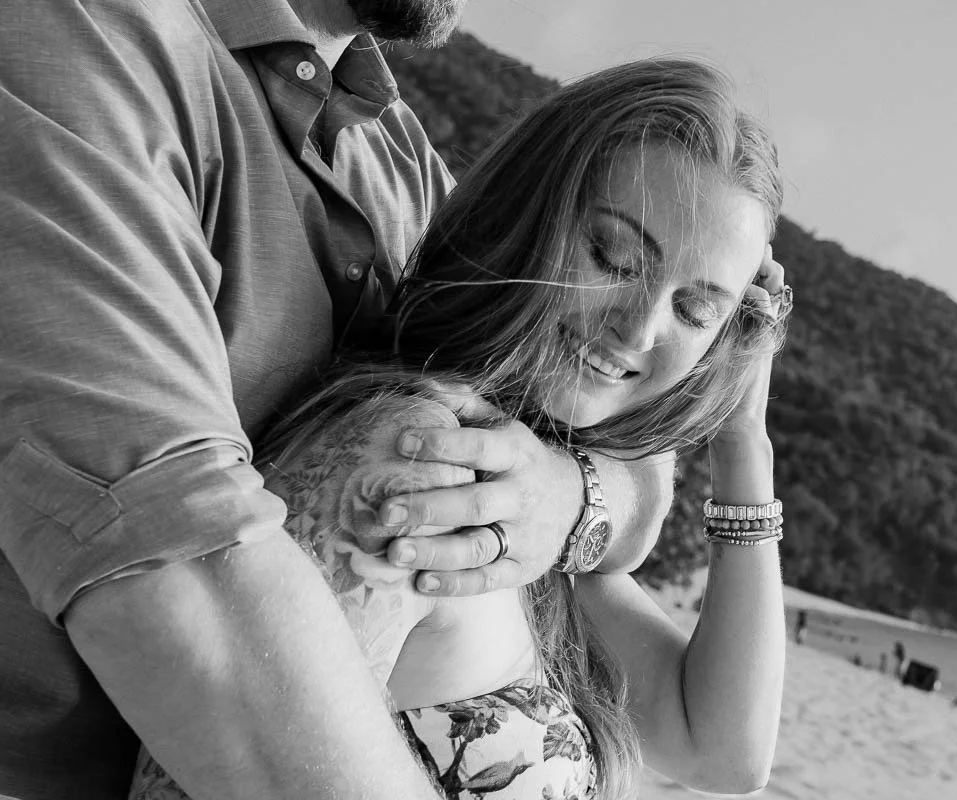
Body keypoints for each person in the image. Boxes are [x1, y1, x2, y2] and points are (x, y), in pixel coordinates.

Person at [0, 1, 676, 798]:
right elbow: (171, 560)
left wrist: (572, 497)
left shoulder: (397, 154)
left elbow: (602, 435)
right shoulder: (76, 36)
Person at [130, 56, 791, 800]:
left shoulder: (523, 504)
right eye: (614, 256)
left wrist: (743, 442)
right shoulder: (422, 465)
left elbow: (724, 753)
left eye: (694, 311)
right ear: (525, 213)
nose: (638, 330)